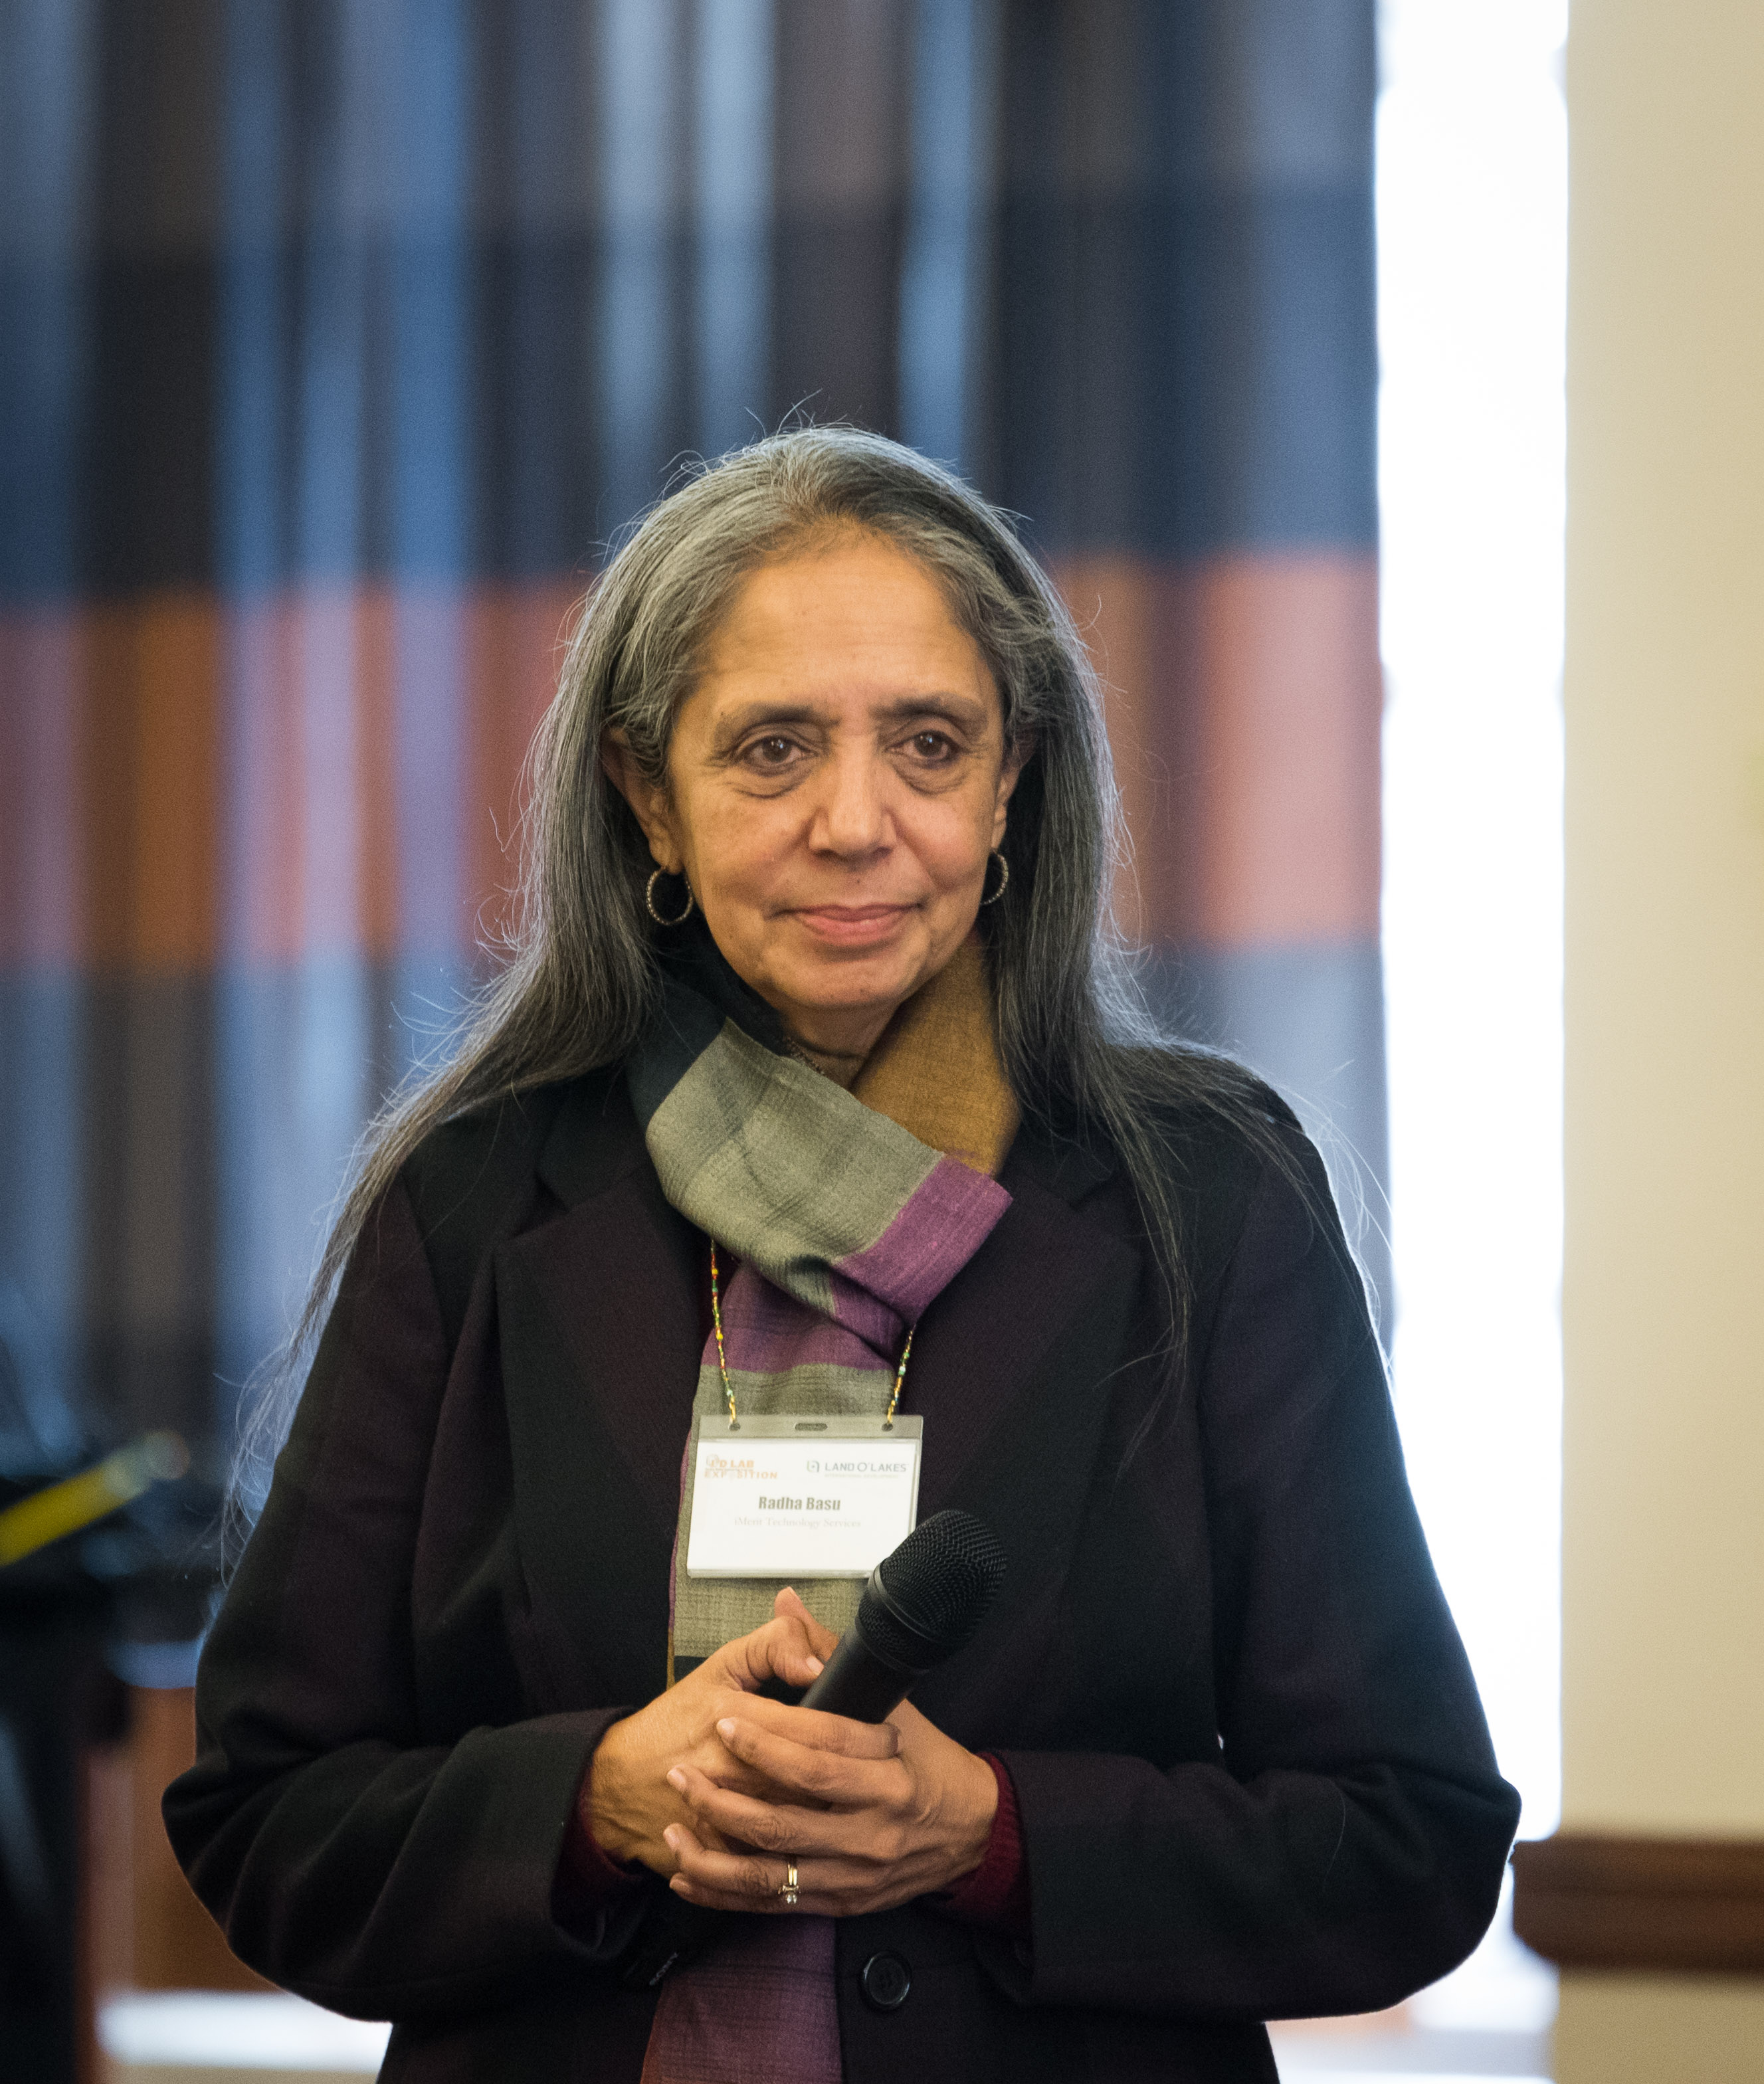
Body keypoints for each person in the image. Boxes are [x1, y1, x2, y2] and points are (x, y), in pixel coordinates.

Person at [165, 428, 1519, 2083]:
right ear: (646, 798)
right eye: (772, 749)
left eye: (928, 745)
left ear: (1011, 781)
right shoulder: (477, 1199)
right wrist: (592, 1806)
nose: (855, 822)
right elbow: (264, 1819)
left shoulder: (1209, 1200)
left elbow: (1408, 1842)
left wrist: (993, 1836)